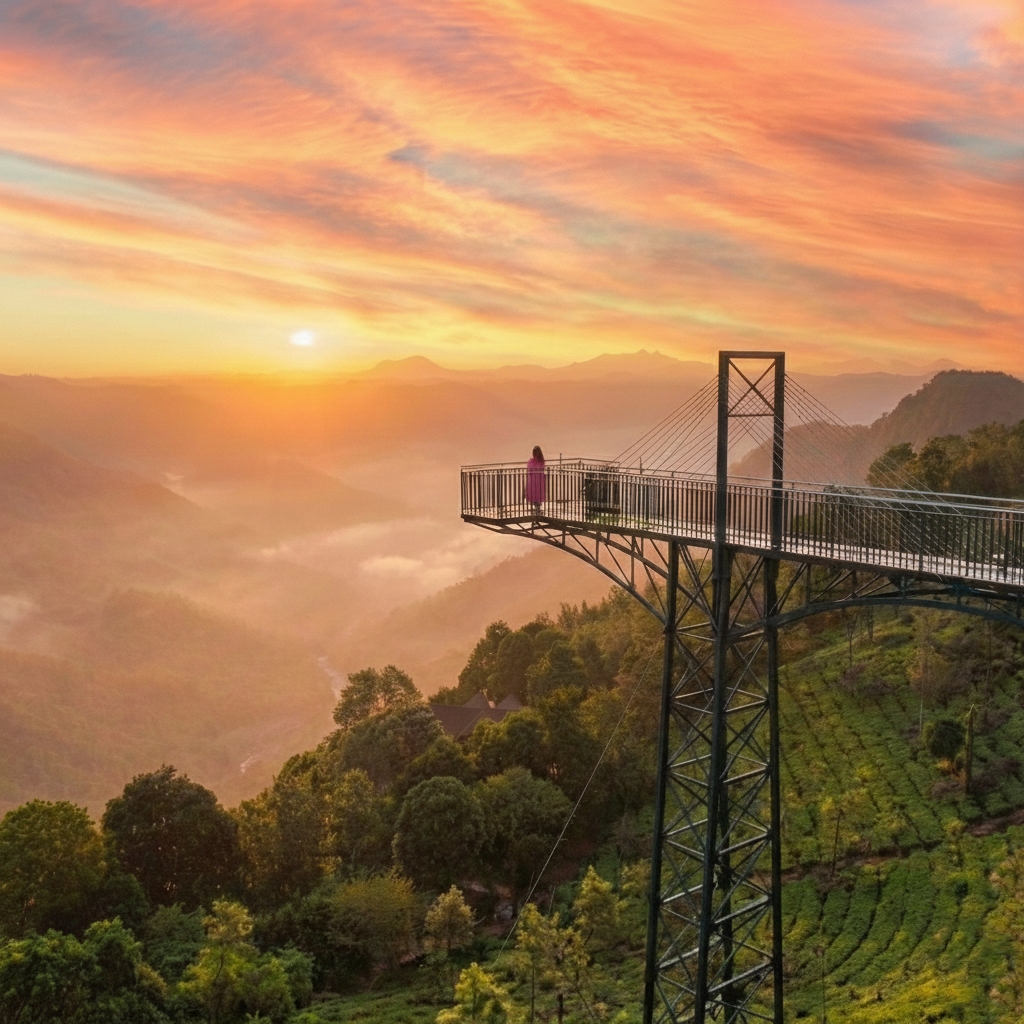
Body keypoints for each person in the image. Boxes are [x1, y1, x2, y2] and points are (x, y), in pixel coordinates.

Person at [526, 445, 546, 512]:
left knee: (535, 494)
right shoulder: (541, 461)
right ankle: (538, 508)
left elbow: (529, 469)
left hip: (534, 479)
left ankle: (537, 508)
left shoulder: (532, 461)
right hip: (538, 479)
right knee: (537, 494)